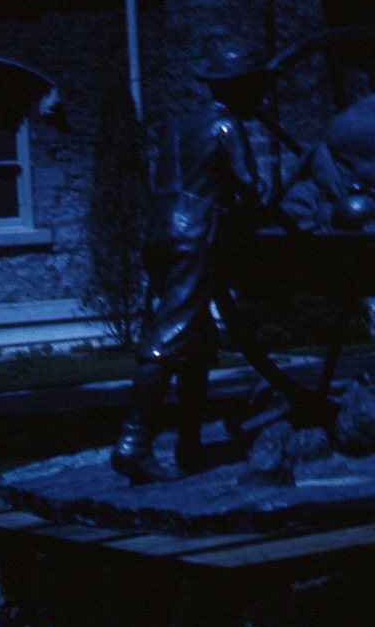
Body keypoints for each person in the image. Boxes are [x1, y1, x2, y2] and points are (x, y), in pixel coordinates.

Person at [110, 47, 272, 484]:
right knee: (172, 332)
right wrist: (265, 196)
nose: (261, 98)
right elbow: (248, 186)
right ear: (240, 89)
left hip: (159, 230)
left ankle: (190, 443)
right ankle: (133, 443)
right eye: (256, 89)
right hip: (195, 234)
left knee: (197, 339)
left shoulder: (177, 126)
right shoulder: (226, 126)